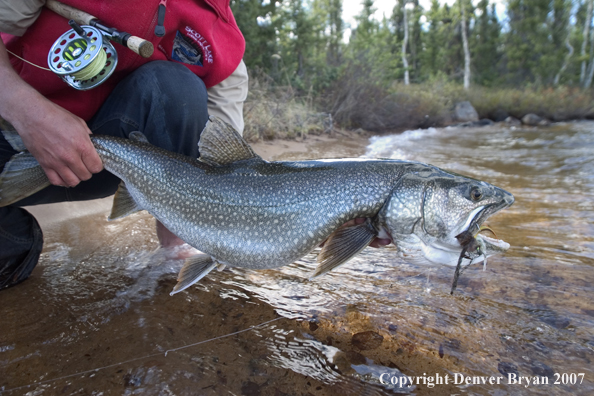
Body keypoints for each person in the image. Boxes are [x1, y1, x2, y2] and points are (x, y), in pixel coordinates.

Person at [0, 0, 249, 289]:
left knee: (176, 86)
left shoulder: (224, 47)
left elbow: (225, 170)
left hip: (101, 162)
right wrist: (31, 116)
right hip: (10, 127)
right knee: (12, 249)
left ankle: (176, 245)